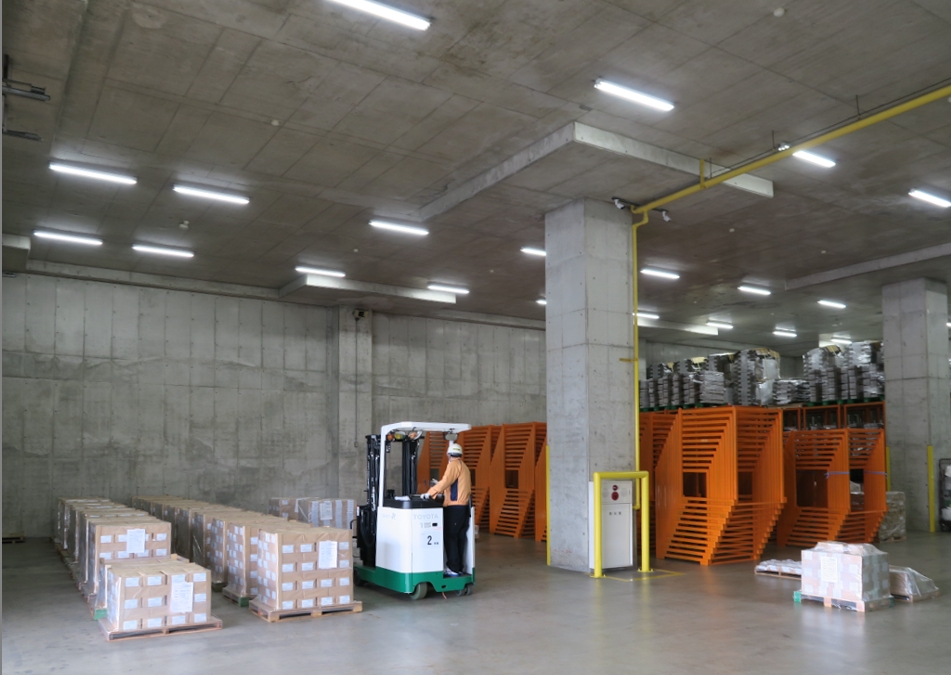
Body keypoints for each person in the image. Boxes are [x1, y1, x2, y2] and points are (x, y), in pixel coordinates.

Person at [424, 442, 471, 577]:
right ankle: (458, 567)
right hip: (463, 507)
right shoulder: (464, 466)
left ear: (449, 455)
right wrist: (440, 487)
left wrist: (430, 492)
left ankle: (453, 568)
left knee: (450, 537)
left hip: (454, 507)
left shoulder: (453, 465)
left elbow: (446, 481)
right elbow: (453, 484)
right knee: (459, 538)